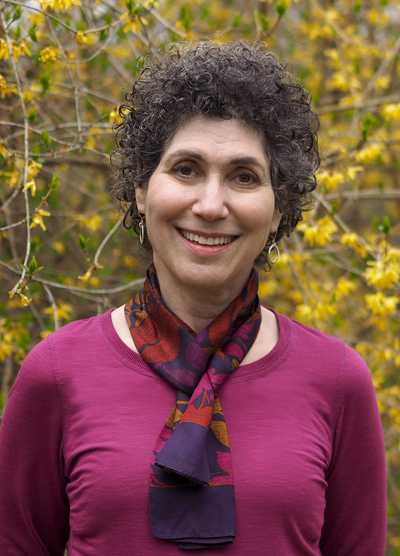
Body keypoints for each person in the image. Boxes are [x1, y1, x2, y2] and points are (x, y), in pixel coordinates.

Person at [0, 41, 387, 555]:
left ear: (277, 209)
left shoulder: (338, 381)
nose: (210, 205)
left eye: (244, 177)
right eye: (186, 169)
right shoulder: (56, 373)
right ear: (141, 190)